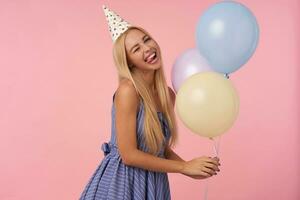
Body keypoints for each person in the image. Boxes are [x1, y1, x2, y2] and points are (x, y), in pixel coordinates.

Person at [79, 5, 221, 200]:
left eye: (146, 40)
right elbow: (129, 155)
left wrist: (190, 169)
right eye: (136, 49)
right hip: (123, 183)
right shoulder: (128, 91)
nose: (147, 49)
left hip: (154, 182)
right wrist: (184, 167)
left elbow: (158, 149)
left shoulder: (167, 95)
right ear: (129, 62)